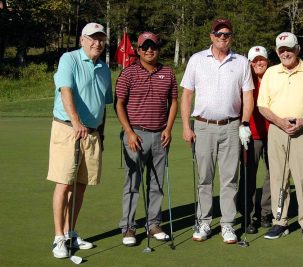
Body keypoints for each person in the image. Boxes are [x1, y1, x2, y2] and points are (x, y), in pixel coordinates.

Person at [181, 18, 254, 244]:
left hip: (232, 126)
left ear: (231, 36)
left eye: (227, 34)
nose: (223, 37)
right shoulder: (197, 60)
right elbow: (187, 95)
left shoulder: (241, 62)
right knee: (205, 178)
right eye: (219, 34)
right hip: (203, 126)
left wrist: (244, 123)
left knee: (230, 179)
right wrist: (185, 126)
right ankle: (203, 221)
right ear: (211, 36)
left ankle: (227, 225)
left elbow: (248, 96)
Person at [47, 22, 113, 258]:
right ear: (82, 40)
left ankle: (69, 232)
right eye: (92, 38)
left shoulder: (104, 68)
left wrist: (101, 135)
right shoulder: (69, 59)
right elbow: (65, 91)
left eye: (101, 38)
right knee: (64, 183)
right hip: (67, 129)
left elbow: (103, 106)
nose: (97, 42)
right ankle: (58, 238)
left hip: (92, 134)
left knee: (82, 184)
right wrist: (75, 121)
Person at [257, 32, 303, 241]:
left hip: (302, 130)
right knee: (278, 179)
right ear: (277, 53)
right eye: (281, 50)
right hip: (277, 131)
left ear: (298, 49)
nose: (285, 53)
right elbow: (263, 105)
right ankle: (280, 221)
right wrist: (279, 122)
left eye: (289, 49)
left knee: (302, 177)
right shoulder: (271, 72)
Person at [115, 31, 178, 246]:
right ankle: (129, 227)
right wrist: (129, 132)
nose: (149, 50)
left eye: (153, 46)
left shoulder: (168, 73)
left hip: (160, 135)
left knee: (157, 183)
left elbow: (174, 102)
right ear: (138, 50)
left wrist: (169, 129)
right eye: (145, 47)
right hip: (136, 135)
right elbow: (119, 104)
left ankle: (154, 224)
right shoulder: (128, 73)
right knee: (132, 183)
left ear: (159, 48)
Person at [238, 46, 273, 235]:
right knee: (248, 176)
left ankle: (266, 212)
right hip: (250, 135)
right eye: (254, 60)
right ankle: (247, 215)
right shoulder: (245, 80)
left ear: (267, 61)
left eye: (262, 59)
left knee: (272, 175)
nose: (259, 63)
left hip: (273, 133)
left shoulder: (275, 78)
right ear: (249, 63)